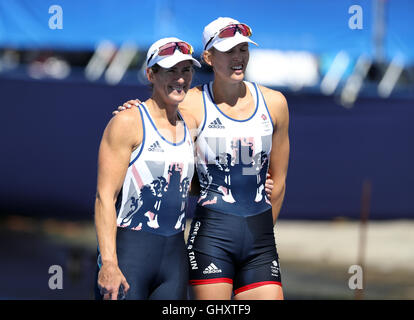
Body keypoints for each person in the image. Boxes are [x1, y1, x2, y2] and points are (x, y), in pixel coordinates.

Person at [118, 17, 289, 300]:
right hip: (212, 239)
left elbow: (279, 180)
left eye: (243, 49)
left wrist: (258, 232)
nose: (238, 58)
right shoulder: (191, 104)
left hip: (260, 242)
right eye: (229, 51)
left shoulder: (275, 104)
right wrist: (132, 109)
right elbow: (153, 118)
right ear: (208, 57)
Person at [94, 37, 201, 300]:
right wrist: (108, 263)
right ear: (150, 74)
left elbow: (192, 186)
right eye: (170, 70)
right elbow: (104, 197)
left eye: (186, 70)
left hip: (174, 260)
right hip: (130, 257)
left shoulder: (192, 124)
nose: (180, 78)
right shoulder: (128, 122)